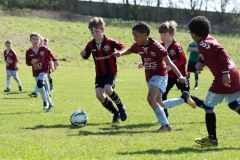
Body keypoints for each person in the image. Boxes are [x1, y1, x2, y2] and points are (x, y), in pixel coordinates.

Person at [113, 21, 191, 132]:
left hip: (160, 75)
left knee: (150, 99)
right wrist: (121, 53)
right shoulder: (138, 45)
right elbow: (130, 50)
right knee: (160, 103)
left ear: (144, 35)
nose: (135, 39)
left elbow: (169, 62)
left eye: (136, 36)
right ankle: (183, 99)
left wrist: (180, 76)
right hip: (150, 76)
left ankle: (166, 125)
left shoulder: (157, 47)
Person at [188, 16, 240, 147]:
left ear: (194, 34)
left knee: (208, 106)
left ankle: (212, 139)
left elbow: (221, 53)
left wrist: (224, 73)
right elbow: (209, 55)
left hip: (224, 77)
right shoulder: (208, 39)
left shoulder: (203, 44)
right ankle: (212, 138)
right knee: (234, 104)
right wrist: (201, 62)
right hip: (234, 74)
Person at [80, 17, 127, 123]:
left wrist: (120, 53)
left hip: (111, 71)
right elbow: (86, 55)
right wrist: (83, 54)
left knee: (108, 89)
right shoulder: (90, 44)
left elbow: (123, 48)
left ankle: (121, 107)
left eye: (96, 31)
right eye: (92, 32)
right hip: (99, 74)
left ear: (102, 30)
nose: (94, 34)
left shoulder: (110, 42)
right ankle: (116, 113)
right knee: (99, 95)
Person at [157, 21, 203, 117]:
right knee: (162, 94)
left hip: (180, 76)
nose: (162, 37)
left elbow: (183, 60)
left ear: (172, 34)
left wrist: (171, 65)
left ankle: (206, 106)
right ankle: (164, 116)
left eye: (165, 34)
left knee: (187, 96)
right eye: (161, 34)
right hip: (169, 76)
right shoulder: (160, 46)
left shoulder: (176, 46)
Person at [25, 32, 59, 112]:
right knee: (41, 88)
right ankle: (50, 103)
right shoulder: (28, 51)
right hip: (36, 71)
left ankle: (45, 102)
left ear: (40, 40)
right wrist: (31, 62)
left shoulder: (44, 49)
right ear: (30, 40)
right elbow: (27, 62)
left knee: (40, 82)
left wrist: (55, 60)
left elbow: (51, 55)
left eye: (37, 39)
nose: (35, 40)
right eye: (33, 39)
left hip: (44, 70)